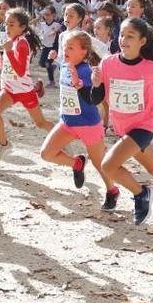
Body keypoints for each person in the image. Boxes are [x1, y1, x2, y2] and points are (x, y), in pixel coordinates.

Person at [91, 17, 153, 226]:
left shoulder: (149, 67)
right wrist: (96, 84)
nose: (124, 40)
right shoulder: (108, 63)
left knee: (108, 165)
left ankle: (141, 194)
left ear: (142, 41)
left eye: (130, 36)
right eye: (122, 35)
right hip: (123, 127)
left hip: (144, 125)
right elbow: (96, 99)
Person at [40, 30, 118, 207]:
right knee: (46, 154)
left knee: (100, 164)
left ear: (83, 52)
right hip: (67, 123)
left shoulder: (87, 71)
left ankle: (112, 190)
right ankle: (77, 163)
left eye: (71, 47)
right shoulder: (66, 66)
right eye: (65, 47)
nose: (65, 50)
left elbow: (92, 99)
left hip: (89, 125)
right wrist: (55, 59)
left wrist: (78, 83)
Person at [0, 8, 53, 162]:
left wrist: (8, 52)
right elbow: (6, 62)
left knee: (40, 123)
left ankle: (63, 138)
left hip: (24, 91)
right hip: (9, 89)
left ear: (22, 27)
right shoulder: (11, 41)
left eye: (11, 25)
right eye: (6, 24)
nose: (7, 28)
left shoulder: (22, 43)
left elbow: (21, 71)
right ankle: (4, 144)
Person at [35, 5, 62, 88]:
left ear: (53, 15)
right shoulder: (42, 24)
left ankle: (52, 82)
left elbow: (61, 30)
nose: (46, 16)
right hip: (45, 47)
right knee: (41, 63)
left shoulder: (57, 24)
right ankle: (52, 66)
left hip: (53, 47)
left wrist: (56, 31)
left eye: (48, 14)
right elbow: (32, 25)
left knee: (47, 63)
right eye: (45, 14)